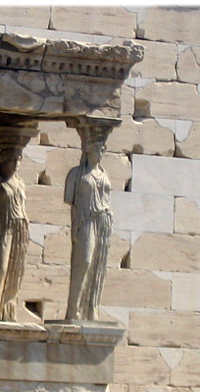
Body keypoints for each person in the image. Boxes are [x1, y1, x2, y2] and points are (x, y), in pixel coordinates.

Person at [64, 128, 113, 320]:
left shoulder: (104, 175)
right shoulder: (76, 174)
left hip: (103, 221)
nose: (99, 153)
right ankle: (73, 308)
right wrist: (74, 226)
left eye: (102, 150)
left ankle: (91, 309)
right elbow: (72, 203)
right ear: (87, 150)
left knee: (97, 265)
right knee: (83, 261)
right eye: (96, 149)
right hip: (85, 220)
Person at [0, 148, 29, 320]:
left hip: (19, 227)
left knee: (15, 270)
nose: (16, 164)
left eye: (18, 160)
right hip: (1, 227)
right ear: (3, 161)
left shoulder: (21, 183)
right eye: (12, 160)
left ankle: (7, 311)